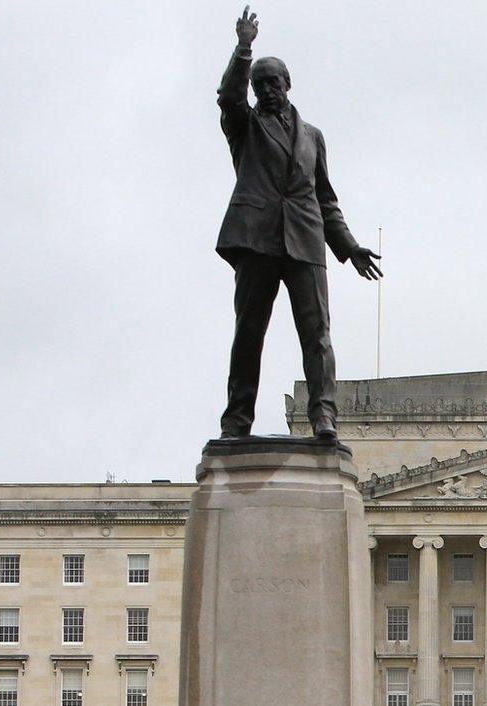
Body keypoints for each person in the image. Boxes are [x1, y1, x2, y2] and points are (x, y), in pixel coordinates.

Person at [216, 6, 382, 441]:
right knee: (249, 333)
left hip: (306, 241)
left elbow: (325, 199)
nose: (267, 90)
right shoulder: (245, 126)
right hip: (257, 240)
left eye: (274, 82)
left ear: (288, 84)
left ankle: (323, 414)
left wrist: (348, 246)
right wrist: (244, 48)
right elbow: (228, 97)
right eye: (260, 84)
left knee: (318, 334)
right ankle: (237, 419)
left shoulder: (312, 136)